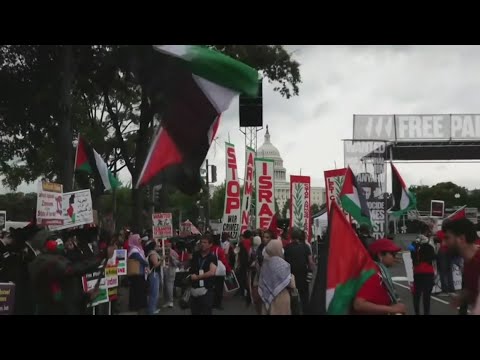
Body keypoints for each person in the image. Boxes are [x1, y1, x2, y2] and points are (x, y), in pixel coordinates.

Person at [28, 229, 109, 315]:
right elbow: (73, 270)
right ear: (45, 245)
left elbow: (67, 289)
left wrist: (86, 297)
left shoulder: (58, 258)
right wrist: (102, 256)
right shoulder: (43, 262)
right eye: (53, 239)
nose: (58, 241)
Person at [353, 238, 407, 315]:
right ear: (380, 254)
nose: (395, 257)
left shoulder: (379, 271)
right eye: (392, 254)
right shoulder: (373, 274)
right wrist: (392, 309)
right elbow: (359, 304)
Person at [443, 219, 480, 312]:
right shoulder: (468, 262)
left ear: (461, 239)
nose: (444, 243)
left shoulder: (477, 262)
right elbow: (473, 290)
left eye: (447, 238)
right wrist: (462, 296)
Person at [258, 239, 296, 315]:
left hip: (267, 296)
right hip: (282, 298)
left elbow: (261, 283)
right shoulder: (283, 264)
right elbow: (291, 284)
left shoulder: (265, 264)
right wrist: (292, 277)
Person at [284, 228, 314, 314]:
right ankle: (306, 312)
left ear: (292, 236)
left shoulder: (287, 247)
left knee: (293, 298)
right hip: (303, 276)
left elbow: (285, 262)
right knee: (304, 297)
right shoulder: (305, 247)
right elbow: (310, 262)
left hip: (291, 276)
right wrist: (310, 272)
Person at [410, 223, 436, 315]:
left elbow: (411, 251)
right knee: (426, 296)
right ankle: (426, 313)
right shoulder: (430, 242)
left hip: (417, 271)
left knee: (416, 294)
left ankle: (417, 312)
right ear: (427, 231)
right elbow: (433, 256)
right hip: (428, 271)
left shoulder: (414, 242)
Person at [189, 235, 217, 315]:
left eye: (205, 242)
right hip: (194, 289)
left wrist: (197, 277)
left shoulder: (212, 257)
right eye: (201, 242)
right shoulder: (195, 255)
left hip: (207, 289)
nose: (202, 244)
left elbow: (212, 272)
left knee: (206, 312)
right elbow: (189, 267)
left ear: (210, 244)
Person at [127, 234, 149, 314]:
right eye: (138, 239)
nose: (140, 241)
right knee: (137, 290)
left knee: (138, 289)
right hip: (136, 273)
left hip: (140, 272)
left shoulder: (138, 249)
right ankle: (136, 306)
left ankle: (137, 305)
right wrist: (146, 263)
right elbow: (139, 259)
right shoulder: (134, 250)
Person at [210, 235, 232, 310]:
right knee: (219, 288)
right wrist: (228, 269)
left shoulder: (210, 249)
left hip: (210, 270)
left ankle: (211, 302)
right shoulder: (219, 250)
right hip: (219, 271)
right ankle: (217, 304)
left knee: (211, 287)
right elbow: (224, 261)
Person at [145, 238, 162, 315]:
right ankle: (151, 310)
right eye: (156, 245)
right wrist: (162, 260)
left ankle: (152, 309)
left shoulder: (152, 253)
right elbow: (155, 265)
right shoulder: (152, 254)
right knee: (154, 293)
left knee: (154, 292)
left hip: (154, 274)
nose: (158, 246)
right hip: (154, 274)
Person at [162, 240, 180, 309]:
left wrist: (171, 258)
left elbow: (177, 263)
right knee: (167, 286)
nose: (166, 245)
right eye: (165, 244)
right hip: (167, 270)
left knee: (169, 286)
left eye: (167, 244)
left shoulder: (172, 252)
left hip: (170, 270)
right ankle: (168, 301)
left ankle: (170, 301)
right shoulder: (164, 251)